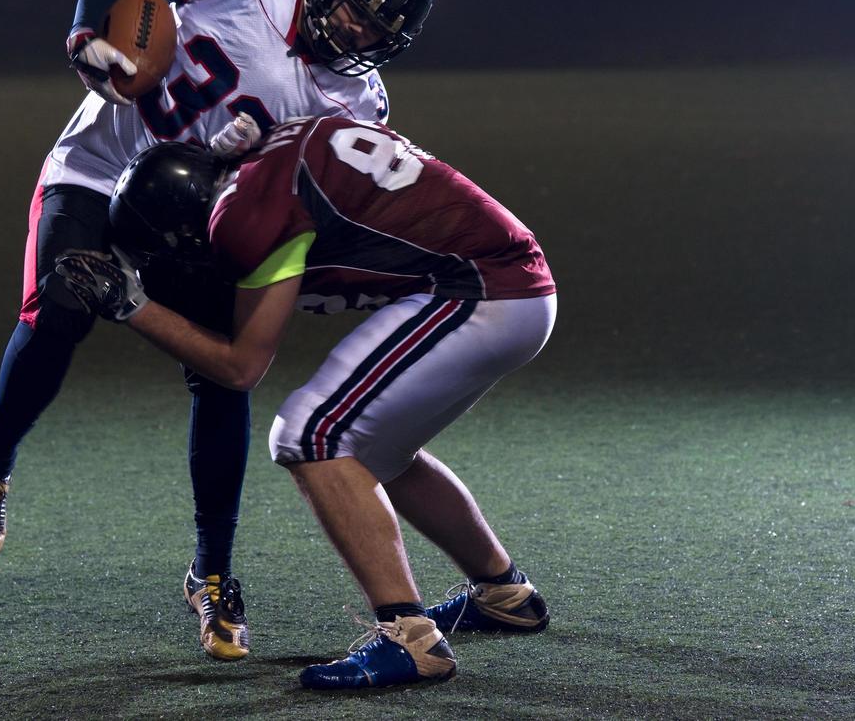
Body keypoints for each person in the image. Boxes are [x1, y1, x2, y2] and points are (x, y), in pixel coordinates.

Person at [0, 0, 435, 664]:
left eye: (373, 35)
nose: (352, 36)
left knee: (222, 375)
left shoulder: (355, 104)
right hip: (100, 164)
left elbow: (306, 205)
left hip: (193, 210)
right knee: (59, 314)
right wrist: (88, 36)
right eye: (349, 14)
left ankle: (212, 572)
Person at [52, 115, 557, 689]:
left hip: (484, 293)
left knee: (309, 434)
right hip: (506, 281)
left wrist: (131, 307)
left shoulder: (241, 217)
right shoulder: (268, 146)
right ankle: (504, 594)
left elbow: (241, 367)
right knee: (377, 452)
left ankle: (410, 641)